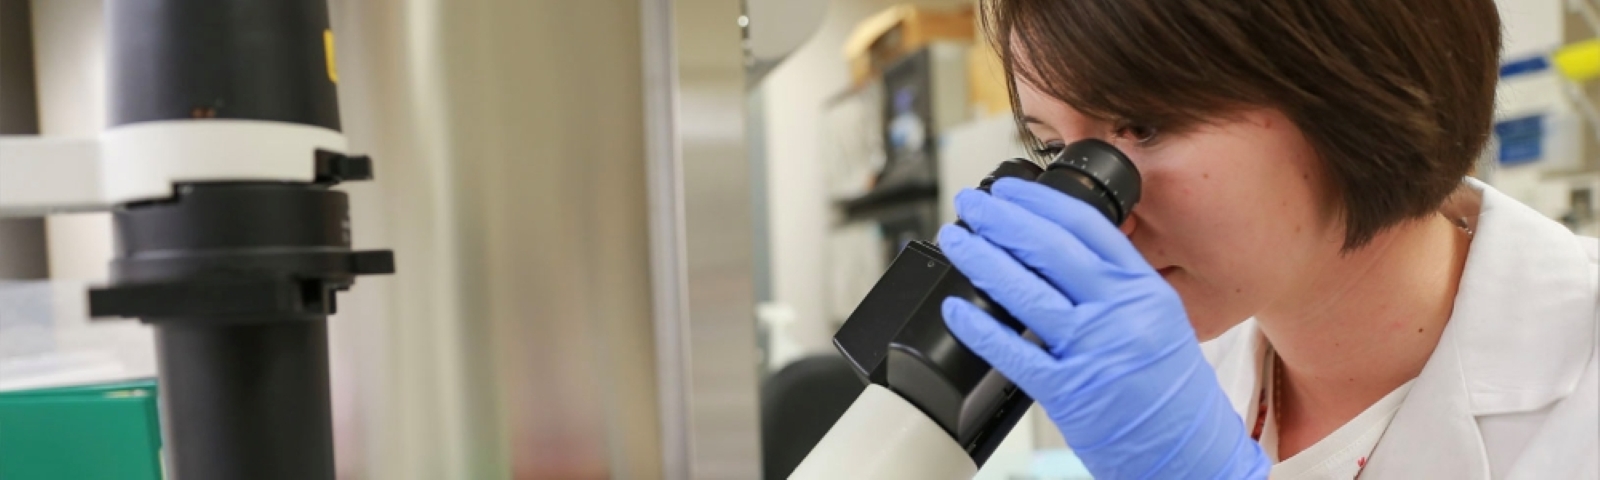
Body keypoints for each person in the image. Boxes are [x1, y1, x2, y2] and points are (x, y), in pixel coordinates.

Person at [936, 0, 1600, 478]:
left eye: (1141, 125)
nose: (1093, 213)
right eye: (1054, 148)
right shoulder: (1161, 376)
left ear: (1353, 87)